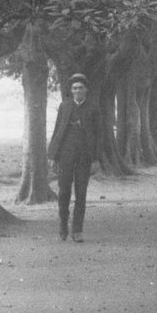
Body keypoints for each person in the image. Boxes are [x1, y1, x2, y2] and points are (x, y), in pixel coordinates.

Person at [50, 74, 106, 243]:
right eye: (74, 88)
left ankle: (77, 230)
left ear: (86, 90)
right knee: (64, 192)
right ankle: (62, 226)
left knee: (81, 193)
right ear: (71, 90)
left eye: (80, 88)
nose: (77, 91)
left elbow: (99, 135)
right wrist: (53, 156)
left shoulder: (93, 108)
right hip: (66, 155)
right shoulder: (64, 106)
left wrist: (96, 159)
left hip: (85, 156)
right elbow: (57, 131)